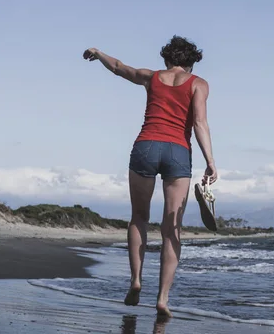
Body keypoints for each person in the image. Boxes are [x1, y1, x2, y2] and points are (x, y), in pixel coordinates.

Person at [82, 35, 217, 317]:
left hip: (146, 146)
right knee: (172, 228)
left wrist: (98, 52)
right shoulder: (198, 84)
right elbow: (201, 123)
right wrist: (211, 162)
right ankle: (163, 299)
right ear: (191, 63)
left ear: (167, 58)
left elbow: (119, 67)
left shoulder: (152, 77)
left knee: (139, 217)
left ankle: (135, 280)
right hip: (178, 153)